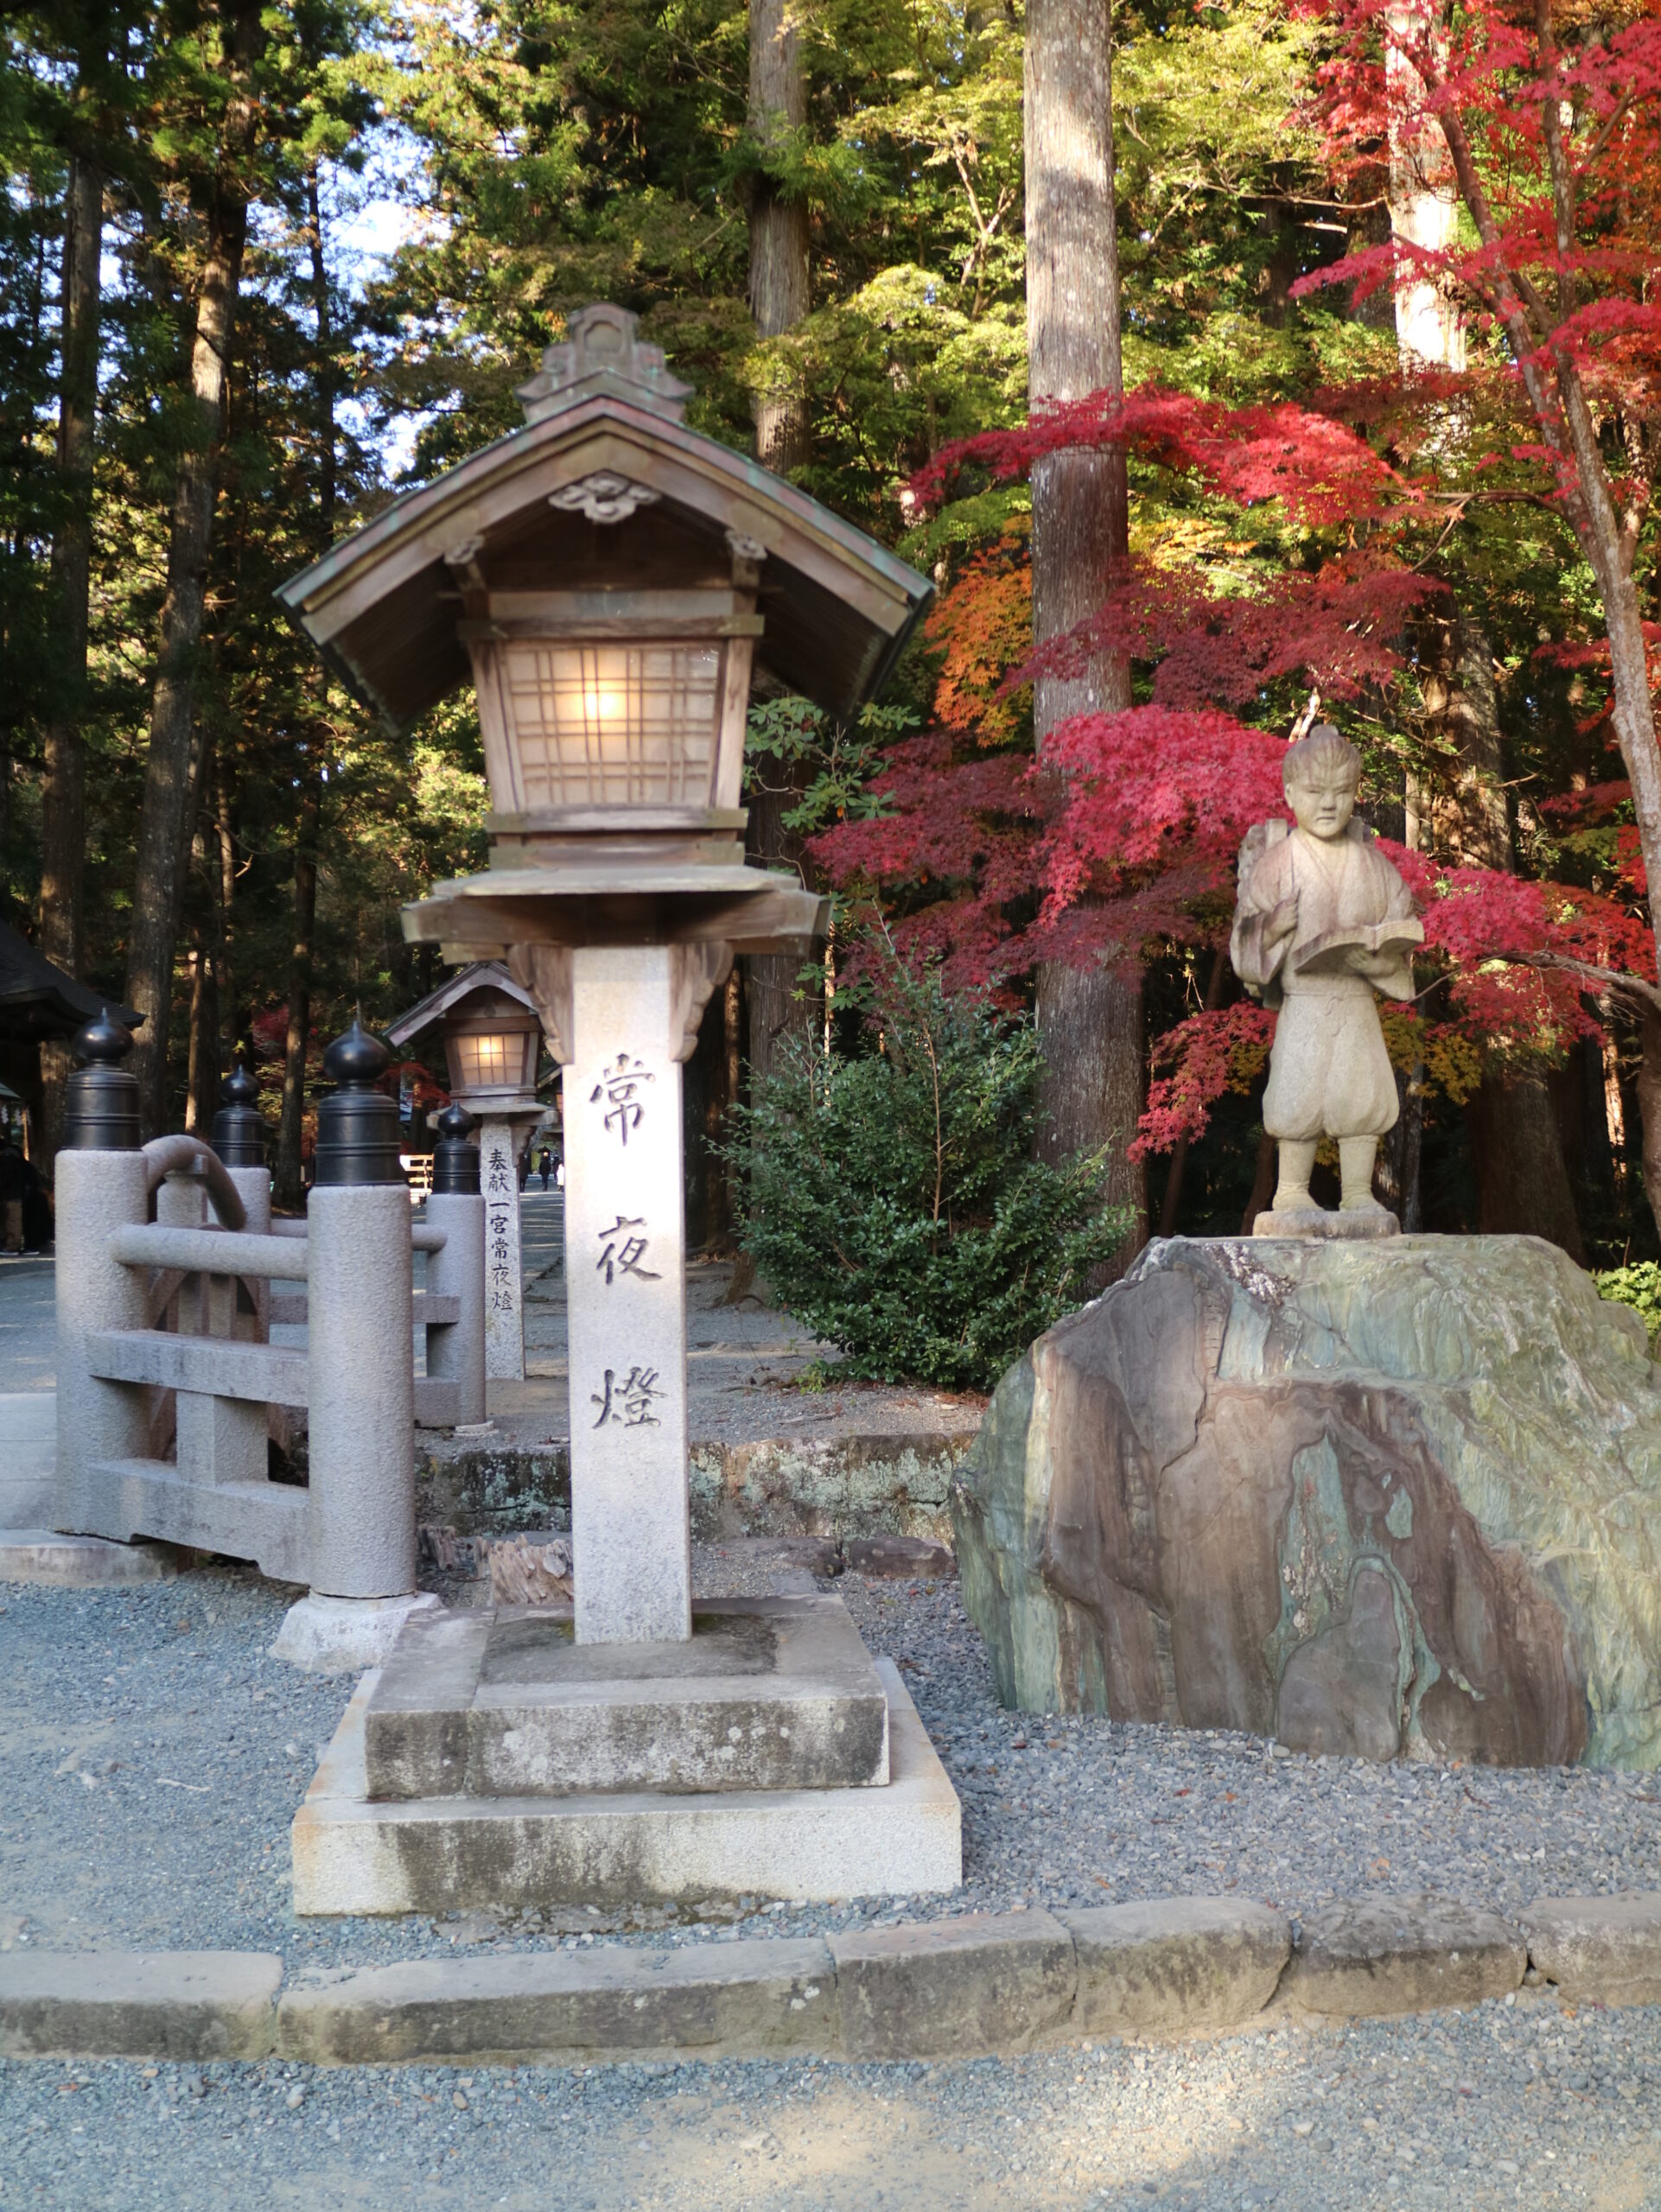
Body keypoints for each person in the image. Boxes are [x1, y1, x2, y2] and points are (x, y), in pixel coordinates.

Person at [1231, 724, 1422, 1222]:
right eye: (1316, 792)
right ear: (1290, 793)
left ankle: (1358, 1192)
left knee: (1361, 1094)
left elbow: (1402, 935)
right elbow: (1242, 940)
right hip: (1305, 1001)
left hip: (1357, 1002)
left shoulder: (1375, 867)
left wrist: (1375, 962)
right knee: (1298, 1092)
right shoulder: (1278, 863)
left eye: (1341, 792)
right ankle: (1291, 1191)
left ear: (1355, 794)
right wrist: (1272, 927)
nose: (1329, 804)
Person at [0, 1139, 23, 1254]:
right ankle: (12, 1245)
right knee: (12, 1221)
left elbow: (4, 1178)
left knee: (12, 1222)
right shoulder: (14, 1159)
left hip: (11, 1196)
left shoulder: (7, 1160)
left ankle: (12, 1246)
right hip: (12, 1195)